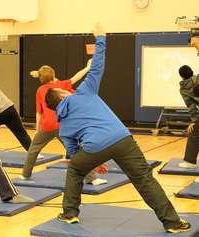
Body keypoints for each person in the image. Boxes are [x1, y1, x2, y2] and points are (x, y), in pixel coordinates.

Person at [44, 24, 191, 233]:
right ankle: (173, 223)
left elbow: (73, 153)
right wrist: (101, 38)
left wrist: (92, 160)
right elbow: (97, 66)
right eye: (64, 90)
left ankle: (69, 214)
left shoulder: (64, 125)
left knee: (75, 169)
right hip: (123, 139)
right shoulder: (84, 92)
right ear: (62, 95)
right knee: (144, 180)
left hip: (95, 148)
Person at [20, 54, 107, 186]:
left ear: (41, 78)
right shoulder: (59, 85)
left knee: (33, 150)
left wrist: (37, 129)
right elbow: (75, 78)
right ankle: (92, 178)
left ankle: (25, 175)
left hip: (46, 126)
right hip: (62, 125)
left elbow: (39, 112)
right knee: (75, 152)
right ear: (53, 76)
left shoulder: (40, 90)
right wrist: (88, 67)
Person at [177, 65, 198, 168]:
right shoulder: (197, 78)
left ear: (181, 76)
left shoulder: (184, 88)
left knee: (194, 132)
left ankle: (190, 162)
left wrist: (194, 121)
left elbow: (192, 106)